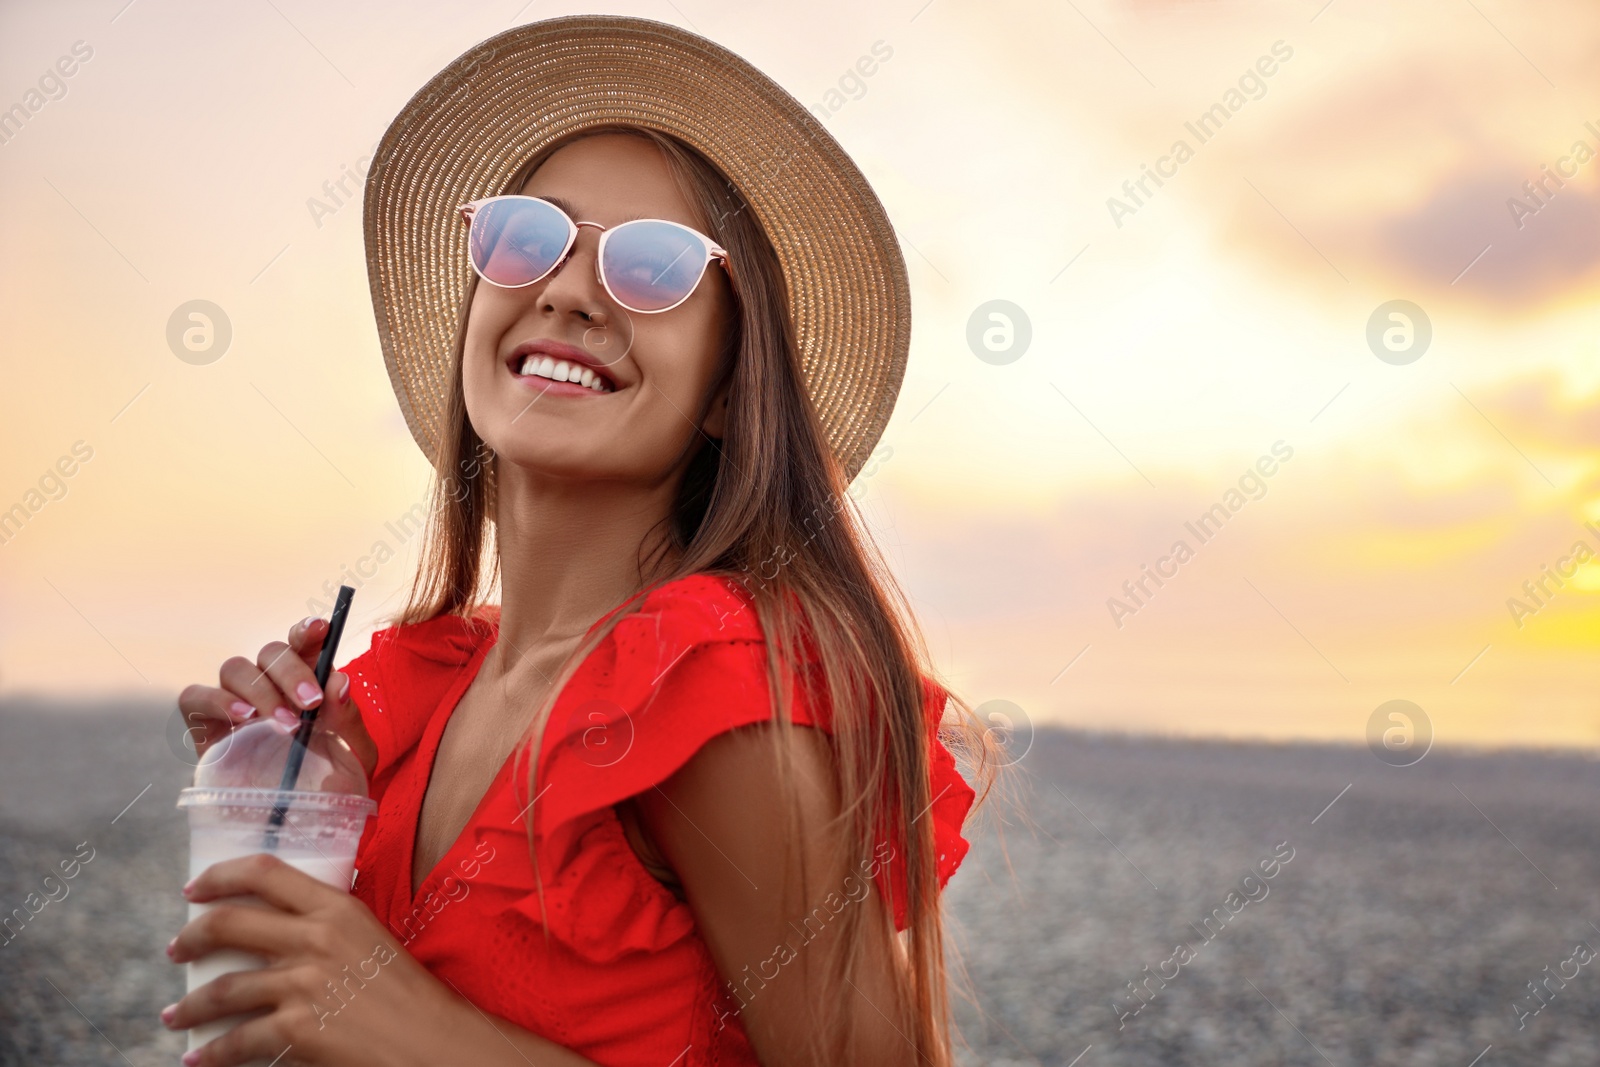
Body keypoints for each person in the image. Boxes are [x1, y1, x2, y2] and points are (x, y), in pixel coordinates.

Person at [166, 15, 998, 1067]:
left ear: (727, 392)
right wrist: (280, 803)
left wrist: (420, 1030)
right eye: (527, 237)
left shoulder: (710, 697)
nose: (564, 288)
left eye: (653, 266)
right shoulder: (420, 694)